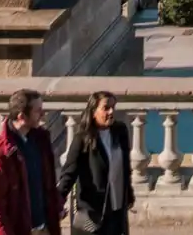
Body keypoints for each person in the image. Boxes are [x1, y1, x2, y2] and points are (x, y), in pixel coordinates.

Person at [0, 88, 64, 235]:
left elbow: (47, 183)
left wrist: (56, 204)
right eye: (38, 111)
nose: (43, 114)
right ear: (21, 116)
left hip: (44, 229)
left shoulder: (41, 141)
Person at [58, 90, 135, 235]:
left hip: (117, 208)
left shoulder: (120, 131)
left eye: (113, 107)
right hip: (92, 212)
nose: (111, 112)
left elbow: (125, 167)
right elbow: (69, 173)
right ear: (93, 111)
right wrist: (56, 202)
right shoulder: (82, 138)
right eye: (106, 108)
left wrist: (128, 193)